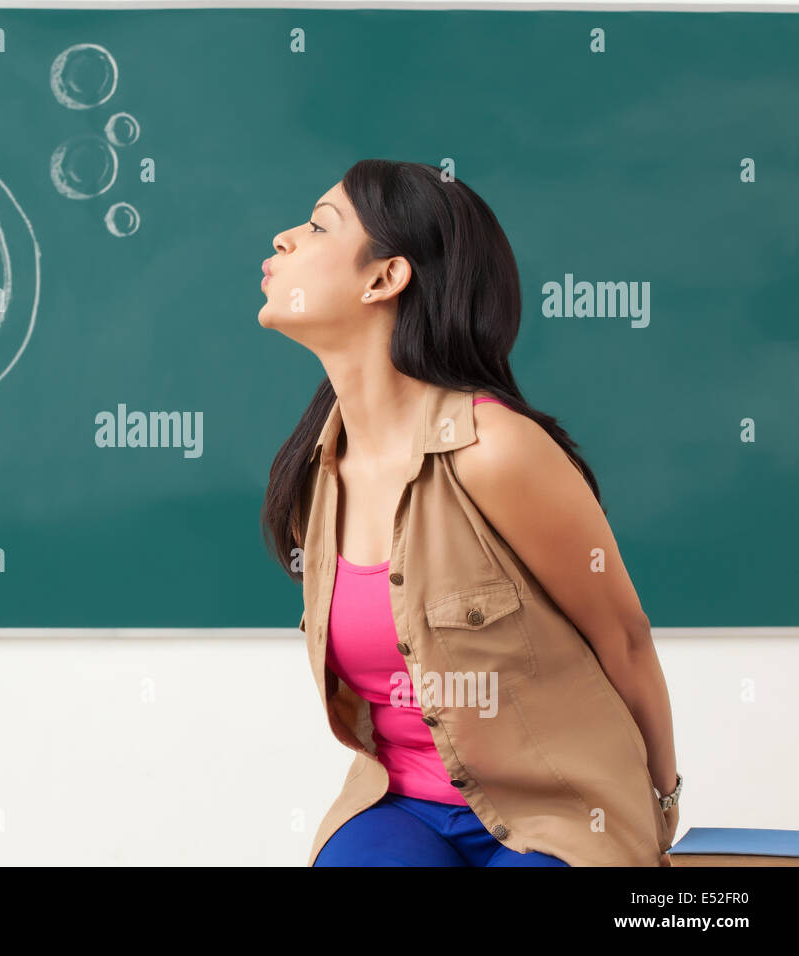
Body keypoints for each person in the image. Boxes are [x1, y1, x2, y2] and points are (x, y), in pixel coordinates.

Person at [258, 160, 680, 867]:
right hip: (402, 805)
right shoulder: (314, 473)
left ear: (384, 278)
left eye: (317, 225)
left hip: (564, 813)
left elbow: (626, 640)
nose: (284, 237)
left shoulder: (496, 450)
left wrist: (661, 804)